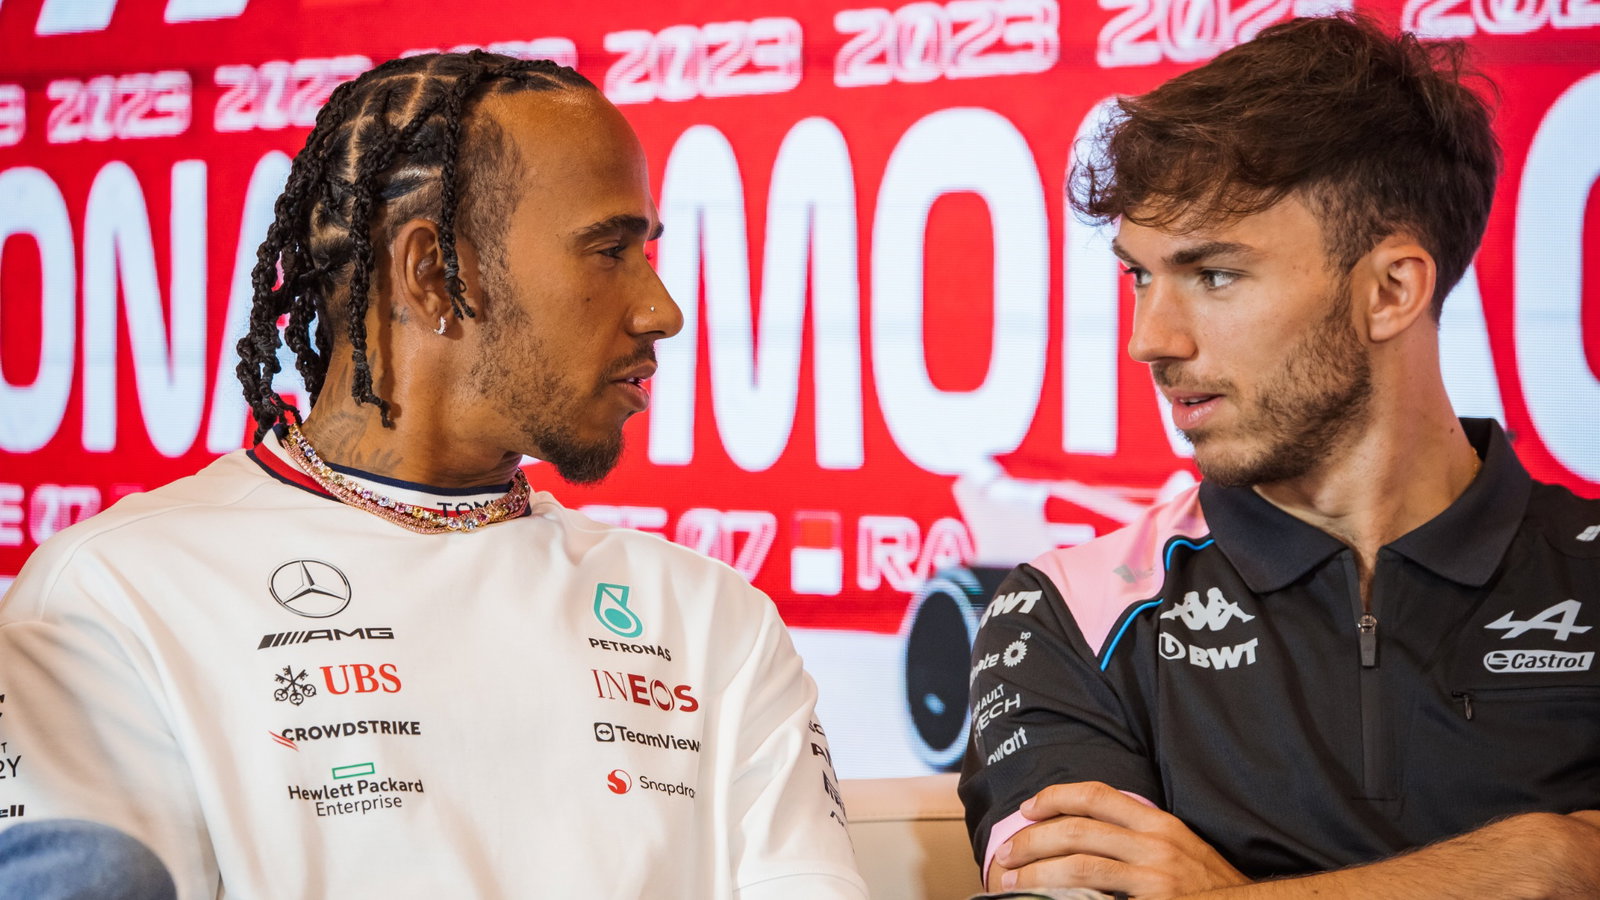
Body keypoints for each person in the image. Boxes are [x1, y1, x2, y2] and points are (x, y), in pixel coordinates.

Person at [0, 52, 865, 899]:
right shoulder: (113, 595)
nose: (661, 310)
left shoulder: (713, 619)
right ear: (434, 275)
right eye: (609, 252)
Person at [959, 14, 1600, 899]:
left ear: (1391, 289)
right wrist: (1541, 863)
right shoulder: (1067, 614)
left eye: (1214, 275)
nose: (1151, 339)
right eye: (1139, 274)